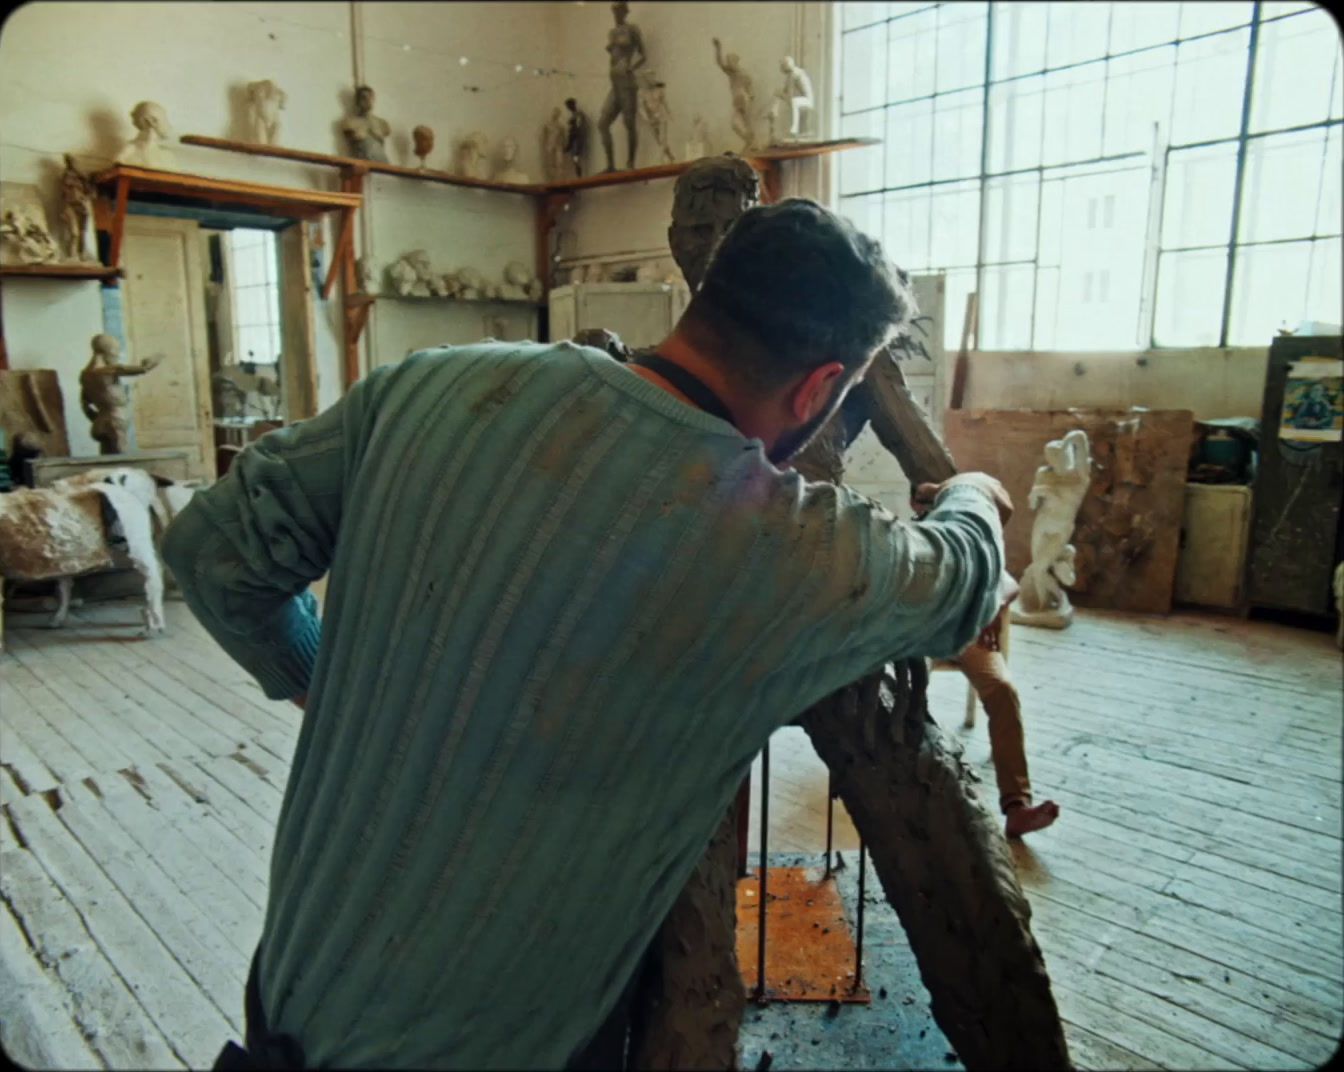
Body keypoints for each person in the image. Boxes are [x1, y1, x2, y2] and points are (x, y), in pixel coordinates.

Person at [165, 197, 1010, 1071]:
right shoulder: (789, 545)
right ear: (818, 388)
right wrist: (976, 495)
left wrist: (317, 676)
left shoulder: (431, 384)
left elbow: (212, 551)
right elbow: (957, 582)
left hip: (292, 999)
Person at [913, 482, 1061, 837]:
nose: (921, 505)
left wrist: (993, 605)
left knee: (1003, 691)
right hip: (919, 634)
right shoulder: (919, 535)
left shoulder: (976, 536)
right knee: (906, 690)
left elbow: (1009, 585)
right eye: (918, 501)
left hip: (968, 636)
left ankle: (1016, 806)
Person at [597, 1, 646, 170]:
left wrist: (631, 67)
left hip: (627, 82)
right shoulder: (612, 33)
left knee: (629, 122)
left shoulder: (632, 29)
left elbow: (643, 55)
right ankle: (610, 165)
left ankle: (630, 162)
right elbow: (613, 56)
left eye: (619, 10)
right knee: (602, 123)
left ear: (625, 12)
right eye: (614, 10)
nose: (616, 13)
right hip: (614, 83)